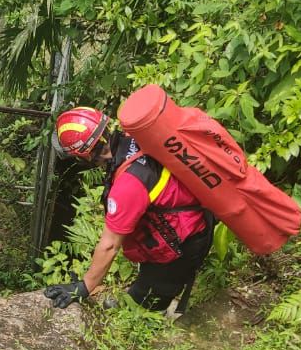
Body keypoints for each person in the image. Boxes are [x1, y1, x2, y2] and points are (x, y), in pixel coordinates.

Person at [43, 105, 214, 312]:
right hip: (189, 223)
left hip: (183, 244)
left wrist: (84, 286)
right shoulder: (134, 138)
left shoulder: (127, 186)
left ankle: (153, 318)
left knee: (141, 305)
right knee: (147, 283)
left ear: (85, 155)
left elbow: (110, 245)